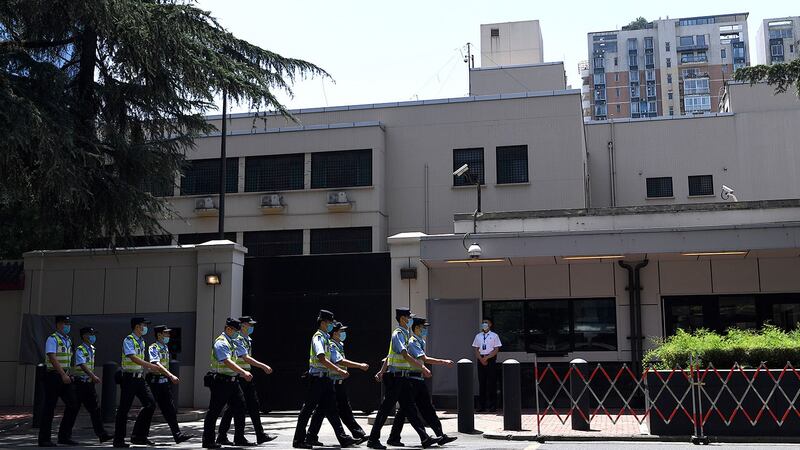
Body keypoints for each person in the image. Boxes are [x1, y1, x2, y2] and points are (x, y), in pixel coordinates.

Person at [367, 307, 441, 450]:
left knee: (411, 410)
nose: (410, 320)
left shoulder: (405, 334)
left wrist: (381, 371)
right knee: (384, 410)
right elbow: (405, 355)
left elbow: (389, 356)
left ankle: (424, 439)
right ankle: (373, 439)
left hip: (402, 378)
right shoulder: (398, 334)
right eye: (409, 317)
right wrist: (423, 367)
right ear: (402, 318)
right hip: (395, 378)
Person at [385, 317, 457, 446]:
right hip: (412, 380)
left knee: (426, 409)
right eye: (423, 328)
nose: (425, 330)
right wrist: (443, 362)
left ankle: (440, 435)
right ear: (417, 328)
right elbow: (424, 358)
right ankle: (394, 437)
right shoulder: (412, 342)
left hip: (418, 379)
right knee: (406, 411)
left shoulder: (419, 341)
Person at [292, 310, 359, 449]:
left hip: (325, 379)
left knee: (332, 410)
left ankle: (343, 438)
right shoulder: (318, 337)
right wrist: (339, 370)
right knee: (307, 410)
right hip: (317, 379)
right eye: (329, 323)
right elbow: (321, 357)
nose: (330, 326)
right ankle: (298, 440)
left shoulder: (326, 338)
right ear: (323, 322)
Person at [305, 321, 370, 446]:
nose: (343, 333)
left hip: (337, 383)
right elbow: (339, 361)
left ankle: (356, 434)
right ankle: (346, 436)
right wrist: (359, 365)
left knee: (337, 410)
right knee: (328, 411)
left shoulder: (338, 345)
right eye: (341, 331)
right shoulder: (331, 345)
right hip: (332, 383)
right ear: (335, 333)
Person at [217, 316, 277, 445]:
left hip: (246, 377)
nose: (252, 327)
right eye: (249, 325)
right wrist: (263, 366)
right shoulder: (237, 339)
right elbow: (245, 358)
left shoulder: (246, 339)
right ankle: (223, 435)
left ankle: (260, 434)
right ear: (243, 325)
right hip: (240, 377)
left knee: (253, 406)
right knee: (234, 408)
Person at [202, 318, 252, 449]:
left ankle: (239, 438)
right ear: (228, 329)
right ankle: (208, 441)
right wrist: (243, 372)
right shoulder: (221, 342)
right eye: (236, 330)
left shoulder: (233, 342)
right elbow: (227, 361)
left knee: (240, 407)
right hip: (221, 382)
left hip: (233, 382)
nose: (237, 333)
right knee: (214, 411)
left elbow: (243, 356)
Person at [113, 317, 160, 448]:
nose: (145, 328)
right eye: (144, 325)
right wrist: (149, 365)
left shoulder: (142, 341)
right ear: (137, 327)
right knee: (124, 410)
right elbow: (132, 357)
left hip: (139, 378)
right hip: (128, 379)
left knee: (150, 404)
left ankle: (139, 436)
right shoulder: (129, 340)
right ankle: (118, 440)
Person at [146, 325, 194, 444]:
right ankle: (141, 435)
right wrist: (170, 375)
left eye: (168, 333)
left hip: (164, 382)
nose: (168, 335)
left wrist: (167, 376)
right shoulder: (154, 347)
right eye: (165, 333)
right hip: (154, 382)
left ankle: (177, 435)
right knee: (149, 409)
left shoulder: (165, 347)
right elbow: (156, 364)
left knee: (170, 410)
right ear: (159, 335)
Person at [38, 315, 81, 447]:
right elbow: (52, 357)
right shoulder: (52, 339)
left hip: (65, 376)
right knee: (49, 407)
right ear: (57, 325)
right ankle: (44, 439)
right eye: (64, 324)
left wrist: (69, 374)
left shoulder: (68, 340)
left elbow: (69, 359)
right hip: (54, 376)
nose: (67, 326)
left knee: (73, 404)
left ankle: (64, 436)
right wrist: (63, 374)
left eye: (68, 324)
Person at [72, 327, 113, 444]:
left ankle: (102, 435)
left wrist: (91, 378)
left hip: (88, 385)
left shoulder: (92, 349)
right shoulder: (80, 349)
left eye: (94, 334)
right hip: (80, 384)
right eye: (91, 334)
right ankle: (64, 436)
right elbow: (82, 364)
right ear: (84, 336)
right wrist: (93, 376)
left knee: (95, 410)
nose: (93, 336)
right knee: (73, 410)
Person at [472, 317, 502, 412]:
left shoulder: (494, 336)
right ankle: (482, 405)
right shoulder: (478, 336)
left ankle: (493, 405)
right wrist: (481, 359)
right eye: (483, 322)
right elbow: (476, 349)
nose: (484, 324)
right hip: (481, 360)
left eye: (486, 322)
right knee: (482, 382)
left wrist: (487, 357)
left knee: (492, 383)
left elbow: (496, 349)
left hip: (491, 359)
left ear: (490, 324)